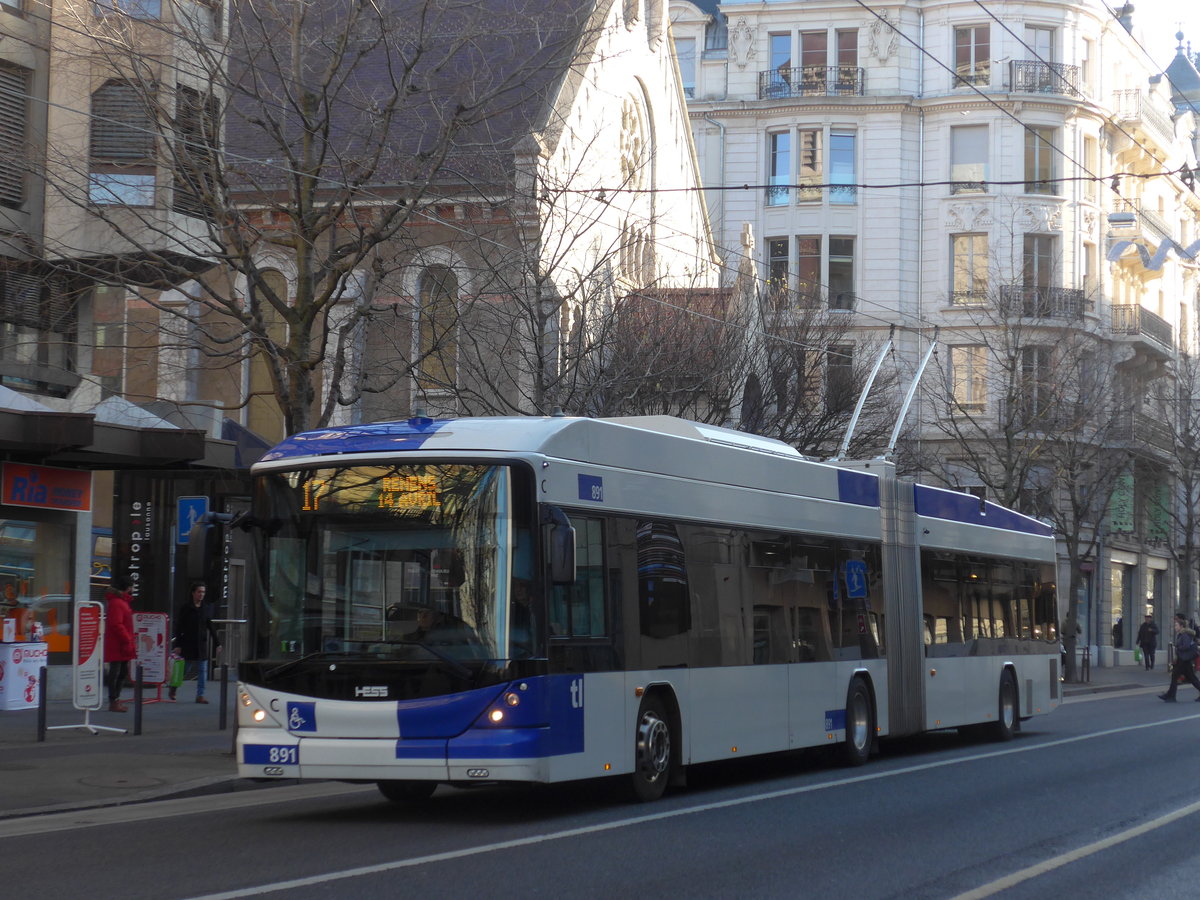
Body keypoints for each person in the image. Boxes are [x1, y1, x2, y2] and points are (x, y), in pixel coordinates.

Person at [171, 582, 221, 703]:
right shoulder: (186, 608)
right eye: (199, 592)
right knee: (185, 669)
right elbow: (179, 626)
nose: (201, 594)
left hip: (201, 644)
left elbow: (210, 625)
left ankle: (200, 695)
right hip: (188, 643)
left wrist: (217, 643)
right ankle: (174, 687)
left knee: (202, 670)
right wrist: (177, 644)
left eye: (203, 592)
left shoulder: (205, 607)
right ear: (193, 593)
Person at [103, 575, 136, 713]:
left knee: (120, 672)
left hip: (121, 642)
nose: (133, 588)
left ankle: (115, 699)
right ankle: (114, 700)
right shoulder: (117, 602)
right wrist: (127, 639)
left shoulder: (119, 601)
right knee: (117, 672)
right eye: (132, 586)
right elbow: (117, 624)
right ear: (128, 587)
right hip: (119, 643)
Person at [1159, 615, 1200, 702]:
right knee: (1191, 677)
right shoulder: (1183, 634)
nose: (1175, 627)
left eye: (1176, 625)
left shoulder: (1184, 635)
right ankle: (1170, 695)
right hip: (1184, 659)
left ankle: (1170, 696)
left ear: (1181, 626)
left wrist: (1178, 647)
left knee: (1175, 676)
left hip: (1183, 659)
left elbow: (1185, 646)